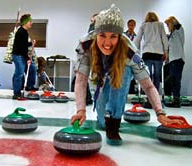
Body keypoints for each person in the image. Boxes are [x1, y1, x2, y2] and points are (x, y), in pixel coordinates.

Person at [70, 4, 182, 146]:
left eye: (113, 36)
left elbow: (148, 85)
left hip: (119, 77)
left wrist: (160, 113)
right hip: (100, 82)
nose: (107, 42)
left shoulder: (129, 51)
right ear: (96, 33)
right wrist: (81, 110)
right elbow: (80, 81)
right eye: (102, 35)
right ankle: (107, 120)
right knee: (103, 122)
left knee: (125, 70)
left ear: (119, 36)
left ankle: (114, 123)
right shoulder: (86, 46)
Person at [134, 12, 168, 93]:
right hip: (158, 53)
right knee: (157, 75)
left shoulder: (143, 25)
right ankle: (155, 95)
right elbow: (164, 38)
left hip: (147, 53)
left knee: (147, 75)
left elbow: (138, 39)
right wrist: (165, 51)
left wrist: (136, 51)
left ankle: (149, 95)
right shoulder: (160, 25)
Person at [12, 13, 37, 99]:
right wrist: (27, 59)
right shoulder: (21, 32)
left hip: (22, 54)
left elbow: (23, 44)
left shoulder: (25, 32)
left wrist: (31, 43)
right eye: (30, 21)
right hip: (18, 55)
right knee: (19, 73)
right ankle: (16, 93)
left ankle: (29, 86)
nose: (31, 23)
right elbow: (21, 48)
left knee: (33, 68)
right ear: (25, 22)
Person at [164, 16, 185, 108]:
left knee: (174, 79)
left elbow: (177, 24)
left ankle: (176, 99)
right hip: (172, 60)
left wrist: (171, 20)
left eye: (168, 24)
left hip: (178, 59)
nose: (168, 26)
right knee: (175, 80)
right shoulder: (171, 34)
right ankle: (175, 99)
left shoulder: (179, 30)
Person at [124, 19, 137, 94]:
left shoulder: (137, 36)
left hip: (133, 57)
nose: (131, 27)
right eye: (129, 25)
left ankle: (131, 92)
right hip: (125, 57)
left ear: (134, 26)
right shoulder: (124, 35)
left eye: (132, 25)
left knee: (132, 73)